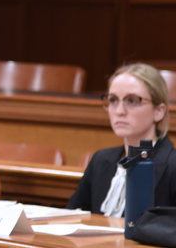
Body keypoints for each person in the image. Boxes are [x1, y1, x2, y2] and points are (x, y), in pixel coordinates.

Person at [67, 63, 176, 216]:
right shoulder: (100, 160)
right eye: (113, 100)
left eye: (132, 101)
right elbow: (71, 217)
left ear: (159, 111)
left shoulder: (172, 165)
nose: (119, 111)